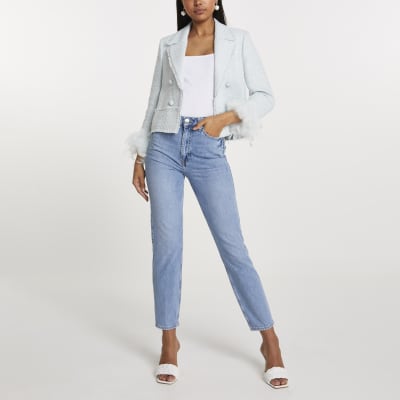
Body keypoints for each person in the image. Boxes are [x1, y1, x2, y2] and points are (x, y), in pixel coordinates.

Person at [125, 0, 289, 389]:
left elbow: (265, 96)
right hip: (164, 146)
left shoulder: (238, 40)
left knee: (233, 246)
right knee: (166, 245)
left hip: (206, 146)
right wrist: (140, 155)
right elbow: (154, 102)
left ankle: (269, 340)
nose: (198, 1)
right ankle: (169, 340)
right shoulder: (168, 44)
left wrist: (223, 119)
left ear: (217, 0)